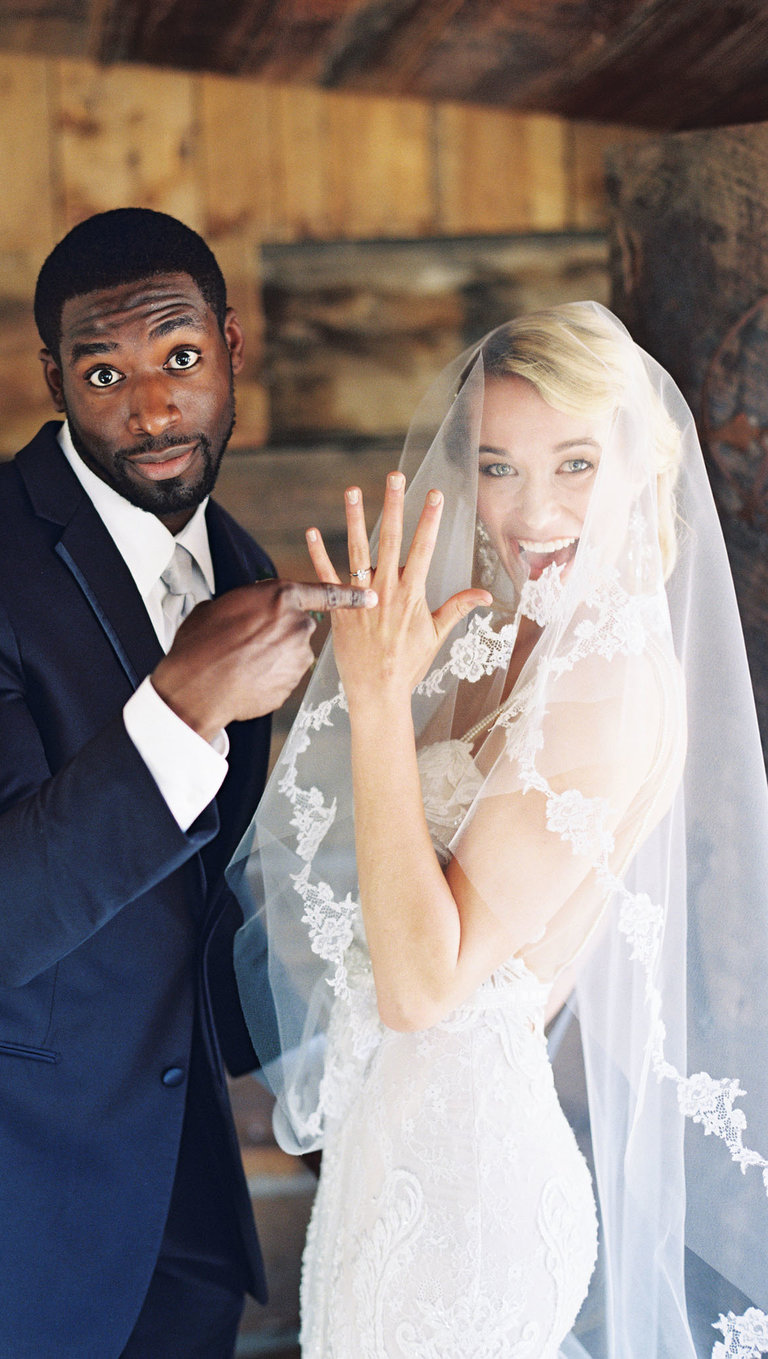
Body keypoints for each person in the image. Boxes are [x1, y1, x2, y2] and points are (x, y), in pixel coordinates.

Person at [0, 208, 374, 1359]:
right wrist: (187, 701)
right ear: (52, 377)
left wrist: (339, 1083)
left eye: (179, 359)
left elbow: (209, 903)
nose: (150, 407)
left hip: (176, 1198)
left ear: (232, 348)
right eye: (105, 371)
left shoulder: (236, 566)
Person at [230, 302, 768, 1357]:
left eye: (573, 463)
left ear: (638, 465)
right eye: (498, 467)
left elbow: (425, 986)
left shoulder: (603, 687)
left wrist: (380, 705)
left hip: (469, 1191)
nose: (532, 514)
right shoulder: (504, 639)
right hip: (396, 1158)